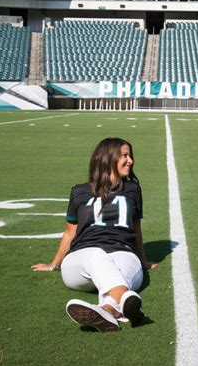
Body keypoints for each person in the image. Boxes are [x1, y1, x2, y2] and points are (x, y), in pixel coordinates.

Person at [32, 137, 156, 332]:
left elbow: (136, 229)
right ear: (107, 159)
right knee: (96, 254)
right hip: (81, 261)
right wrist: (53, 265)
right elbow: (69, 232)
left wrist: (143, 260)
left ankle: (107, 310)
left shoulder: (132, 189)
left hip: (123, 253)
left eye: (130, 155)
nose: (130, 160)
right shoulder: (79, 191)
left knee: (119, 267)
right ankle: (127, 305)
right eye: (125, 156)